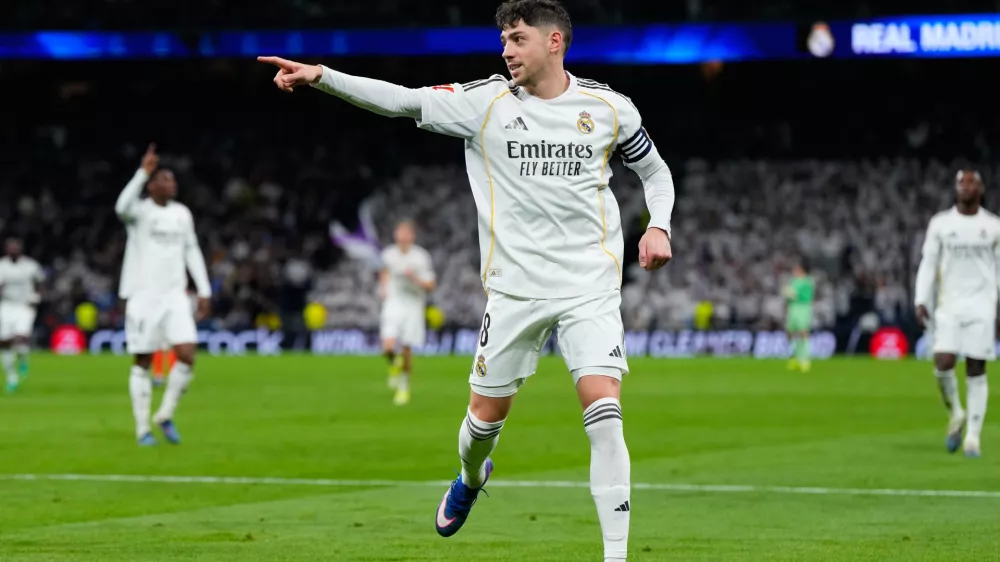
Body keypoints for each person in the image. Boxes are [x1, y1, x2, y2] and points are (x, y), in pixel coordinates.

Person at [260, 0, 674, 558]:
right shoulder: (484, 103)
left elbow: (654, 171)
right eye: (504, 41)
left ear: (555, 41)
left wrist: (659, 225)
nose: (507, 51)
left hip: (589, 287)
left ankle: (616, 555)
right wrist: (322, 76)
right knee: (482, 424)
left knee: (604, 414)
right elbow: (403, 100)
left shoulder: (609, 108)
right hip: (514, 291)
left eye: (518, 39)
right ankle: (471, 478)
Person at [116, 144, 212, 446]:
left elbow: (192, 250)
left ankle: (165, 414)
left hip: (175, 297)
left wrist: (204, 289)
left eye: (173, 180)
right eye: (165, 180)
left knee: (187, 354)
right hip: (143, 297)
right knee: (143, 360)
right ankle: (142, 428)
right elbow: (120, 206)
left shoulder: (182, 214)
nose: (172, 184)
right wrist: (141, 173)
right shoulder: (139, 212)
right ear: (152, 186)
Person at [914, 170, 1000, 458]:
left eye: (971, 182)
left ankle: (973, 437)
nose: (965, 187)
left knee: (976, 366)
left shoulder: (993, 226)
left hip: (983, 306)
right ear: (955, 188)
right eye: (961, 182)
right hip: (949, 305)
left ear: (981, 188)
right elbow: (929, 262)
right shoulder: (941, 224)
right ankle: (956, 412)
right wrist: (920, 298)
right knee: (943, 362)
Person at [379, 220, 436, 406]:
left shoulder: (421, 257)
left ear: (412, 236)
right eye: (400, 233)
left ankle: (403, 387)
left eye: (406, 234)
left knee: (406, 347)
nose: (402, 237)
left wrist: (415, 279)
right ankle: (394, 363)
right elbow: (384, 271)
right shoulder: (388, 254)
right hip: (394, 301)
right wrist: (384, 288)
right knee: (387, 347)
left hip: (413, 304)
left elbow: (431, 285)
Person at [0, 238, 44, 393]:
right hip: (6, 305)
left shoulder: (30, 266)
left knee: (21, 337)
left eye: (15, 247)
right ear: (6, 249)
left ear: (20, 249)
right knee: (4, 342)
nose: (13, 250)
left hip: (24, 305)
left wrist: (36, 297)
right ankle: (12, 377)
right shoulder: (2, 266)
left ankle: (23, 358)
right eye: (10, 247)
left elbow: (39, 282)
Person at [783, 263, 815, 372]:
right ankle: (794, 357)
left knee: (803, 332)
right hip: (793, 308)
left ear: (802, 270)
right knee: (790, 332)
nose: (795, 271)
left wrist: (793, 294)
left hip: (803, 307)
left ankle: (805, 359)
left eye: (797, 269)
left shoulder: (807, 281)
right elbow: (788, 295)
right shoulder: (793, 281)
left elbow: (806, 296)